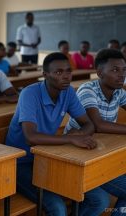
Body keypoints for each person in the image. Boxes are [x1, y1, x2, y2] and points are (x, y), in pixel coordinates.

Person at [6, 52, 110, 216]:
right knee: (58, 208)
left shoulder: (68, 92)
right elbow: (31, 137)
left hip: (49, 158)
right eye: (58, 72)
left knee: (101, 199)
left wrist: (81, 134)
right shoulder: (29, 94)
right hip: (21, 163)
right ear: (45, 75)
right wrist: (71, 138)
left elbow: (89, 123)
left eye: (68, 71)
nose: (66, 76)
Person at [65, 49, 126, 215]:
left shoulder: (119, 92)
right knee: (101, 200)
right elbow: (98, 125)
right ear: (99, 73)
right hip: (76, 157)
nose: (121, 75)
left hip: (101, 154)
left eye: (124, 70)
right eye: (115, 70)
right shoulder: (88, 90)